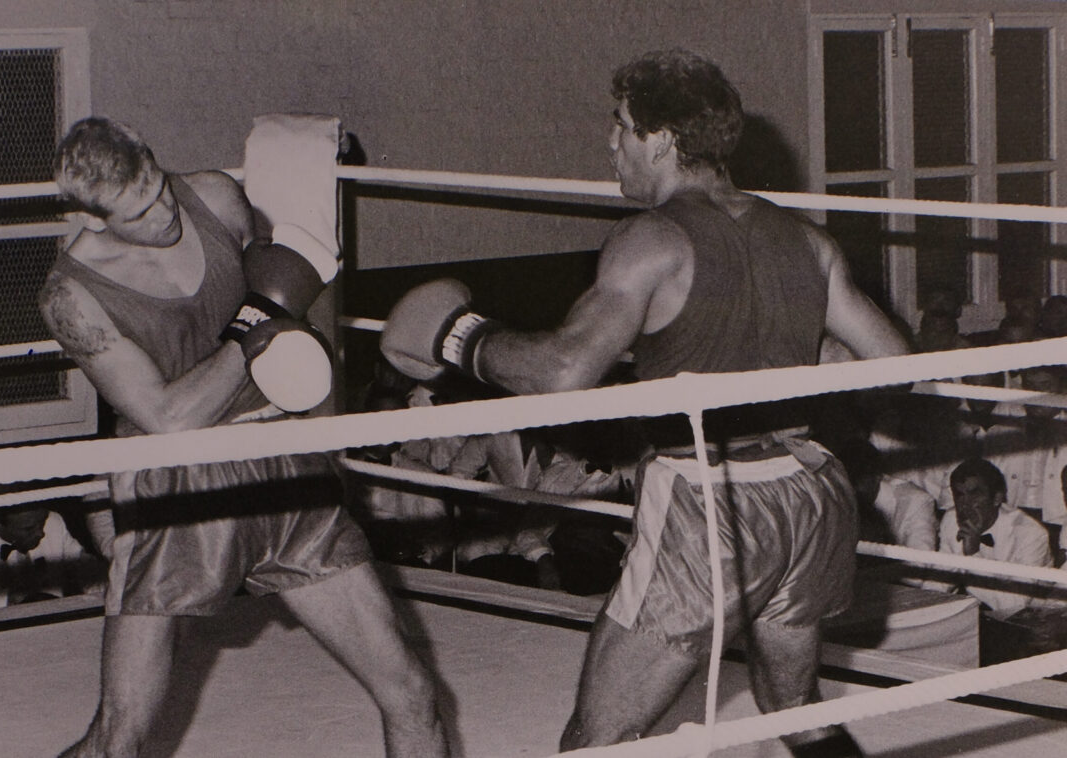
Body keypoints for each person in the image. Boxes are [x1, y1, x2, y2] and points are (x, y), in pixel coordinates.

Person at [381, 49, 909, 756]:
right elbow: (895, 366)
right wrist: (780, 348)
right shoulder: (804, 238)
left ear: (661, 139)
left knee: (600, 736)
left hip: (705, 505)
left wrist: (458, 338)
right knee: (797, 711)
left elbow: (563, 372)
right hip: (806, 497)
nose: (611, 144)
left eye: (621, 126)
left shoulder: (652, 238)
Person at [38, 117, 447, 758]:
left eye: (161, 189)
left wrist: (282, 341)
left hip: (279, 459)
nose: (165, 214)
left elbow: (285, 291)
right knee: (122, 737)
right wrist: (255, 325)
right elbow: (170, 416)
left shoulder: (216, 197)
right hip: (176, 487)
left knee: (413, 694)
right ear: (92, 219)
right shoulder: (72, 295)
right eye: (139, 213)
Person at [935, 458, 1058, 619]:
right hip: (971, 613)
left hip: (1026, 622)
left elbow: (1015, 605)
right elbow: (940, 581)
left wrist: (972, 557)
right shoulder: (951, 519)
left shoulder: (1031, 534)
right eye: (959, 495)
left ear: (997, 498)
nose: (964, 504)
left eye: (974, 494)